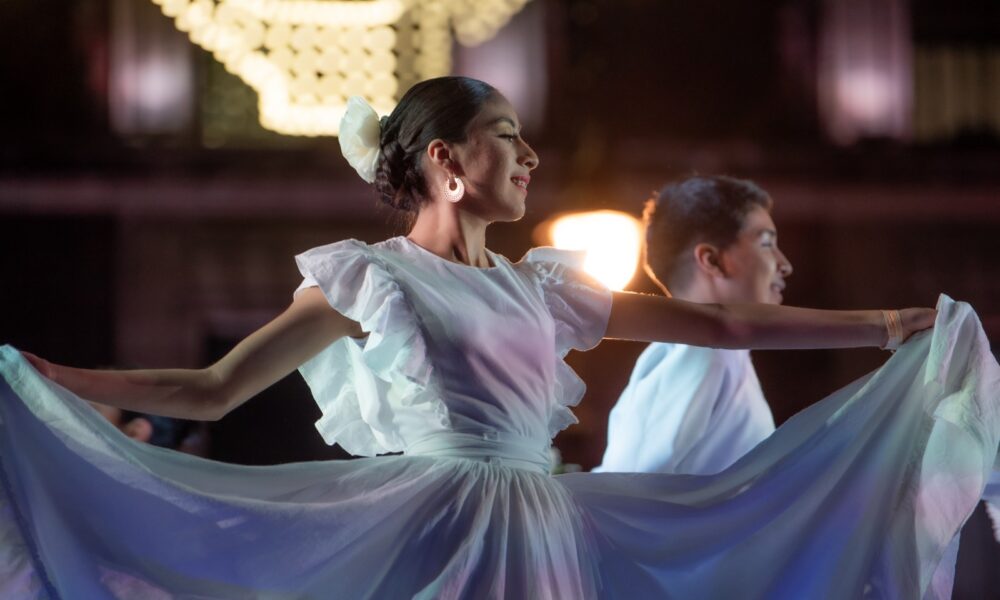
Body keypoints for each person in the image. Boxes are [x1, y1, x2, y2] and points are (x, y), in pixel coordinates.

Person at [0, 76, 996, 599]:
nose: (531, 154)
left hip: (546, 530)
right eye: (508, 135)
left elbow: (723, 319)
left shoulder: (545, 290)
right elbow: (214, 389)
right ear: (446, 160)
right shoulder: (372, 278)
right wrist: (56, 380)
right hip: (433, 520)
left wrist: (890, 325)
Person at [596, 175, 788, 475]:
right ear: (712, 260)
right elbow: (636, 486)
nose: (784, 263)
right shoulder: (704, 351)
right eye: (766, 244)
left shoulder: (710, 353)